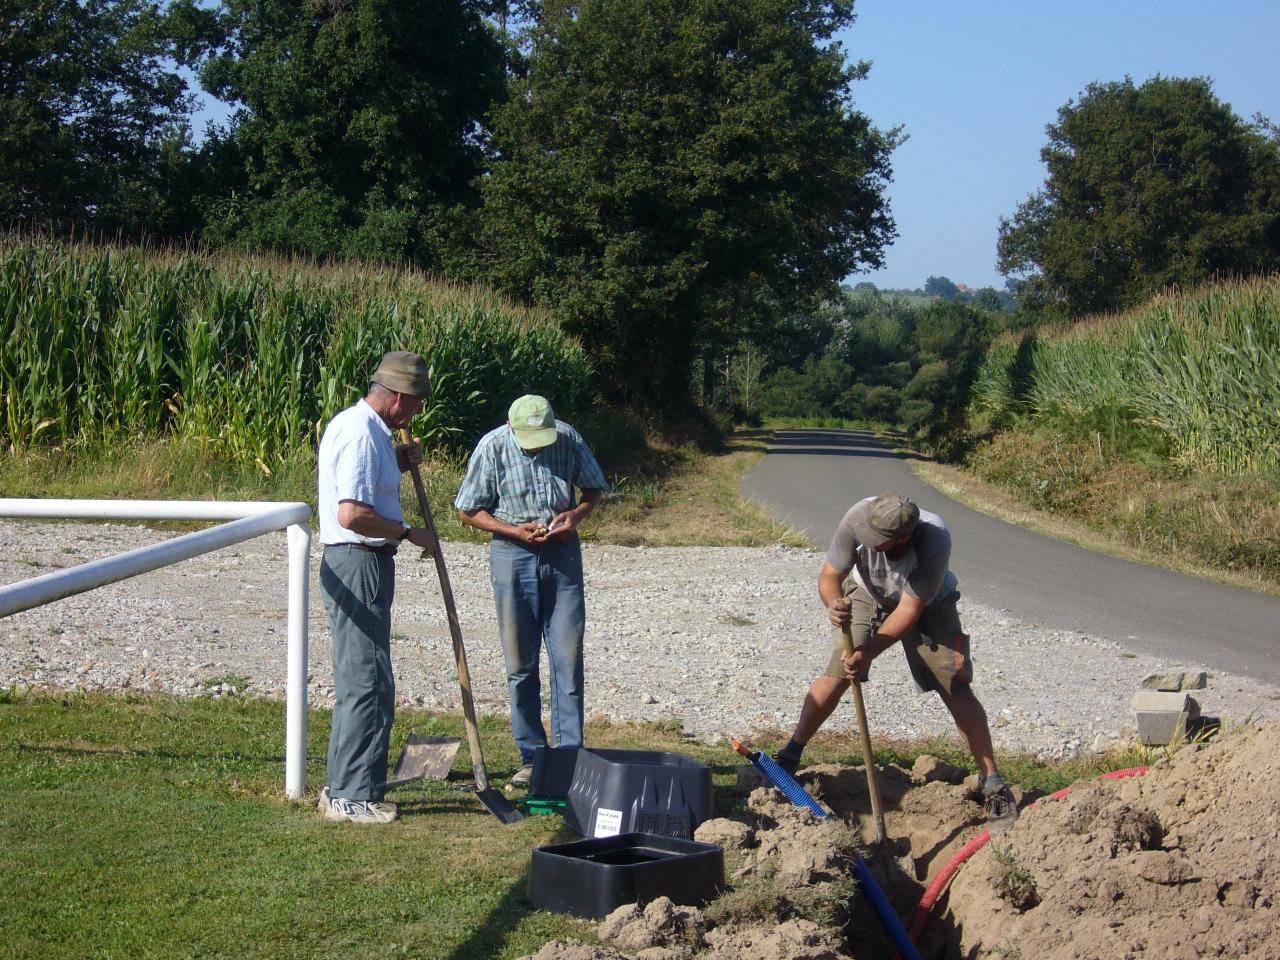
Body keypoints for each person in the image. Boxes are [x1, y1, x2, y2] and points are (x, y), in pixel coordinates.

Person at [773, 492, 1018, 831]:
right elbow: (830, 575)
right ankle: (788, 756)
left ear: (905, 536)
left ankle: (993, 782)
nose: (872, 547)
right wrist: (833, 602)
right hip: (866, 593)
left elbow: (907, 610)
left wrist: (869, 652)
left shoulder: (935, 539)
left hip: (929, 605)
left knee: (953, 681)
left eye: (881, 544)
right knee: (838, 672)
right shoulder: (859, 515)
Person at [455, 395, 608, 786]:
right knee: (520, 663)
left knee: (568, 657)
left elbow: (594, 489)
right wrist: (512, 530)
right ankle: (532, 755)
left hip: (562, 553)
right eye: (530, 438)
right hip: (512, 554)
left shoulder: (568, 438)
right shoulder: (492, 446)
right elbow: (468, 509)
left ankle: (569, 754)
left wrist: (574, 515)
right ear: (511, 428)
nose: (539, 444)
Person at [315, 351, 438, 824]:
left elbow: (366, 488)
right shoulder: (363, 433)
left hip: (360, 562)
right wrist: (410, 532)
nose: (418, 413)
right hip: (359, 560)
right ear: (400, 398)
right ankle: (352, 796)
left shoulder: (366, 430)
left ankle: (345, 786)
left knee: (365, 680)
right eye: (417, 403)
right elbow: (353, 514)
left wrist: (398, 463)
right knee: (366, 682)